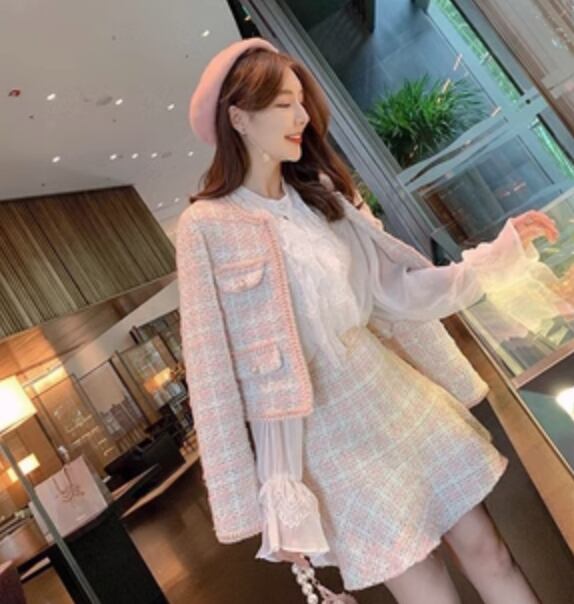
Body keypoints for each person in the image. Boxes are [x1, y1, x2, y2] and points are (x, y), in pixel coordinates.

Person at [177, 37, 557, 603]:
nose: (302, 117)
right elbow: (211, 376)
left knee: (489, 550)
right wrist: (255, 500)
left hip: (390, 393)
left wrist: (496, 257)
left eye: (301, 101)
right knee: (425, 588)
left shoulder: (322, 197)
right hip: (324, 436)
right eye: (283, 104)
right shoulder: (206, 227)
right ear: (239, 117)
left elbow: (398, 292)